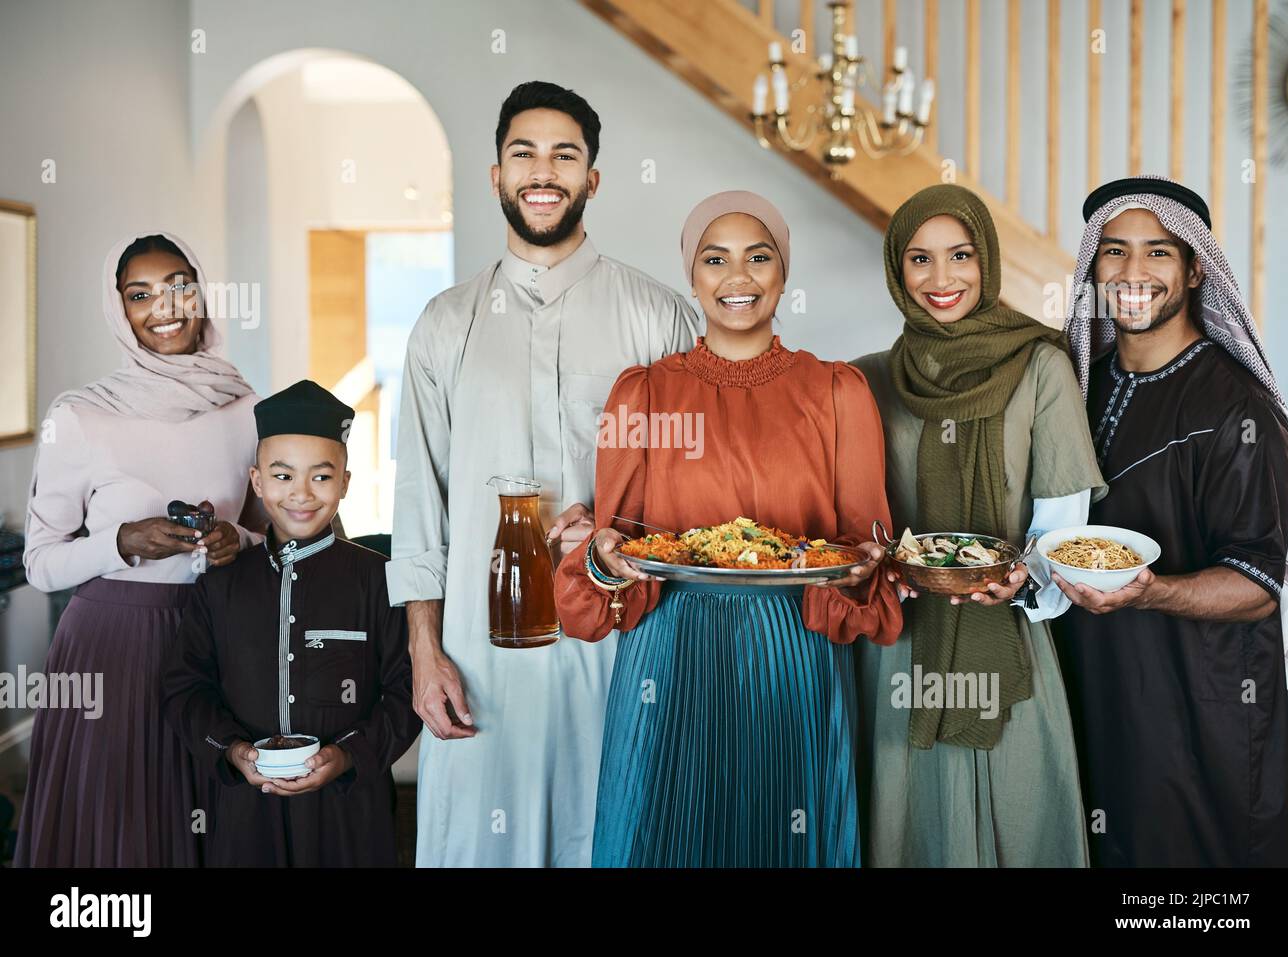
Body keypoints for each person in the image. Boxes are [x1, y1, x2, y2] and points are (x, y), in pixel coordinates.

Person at [386, 81, 700, 867]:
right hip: (475, 646)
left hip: (621, 635)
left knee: (612, 826)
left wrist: (618, 525)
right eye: (523, 152)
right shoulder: (443, 322)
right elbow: (419, 500)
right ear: (494, 174)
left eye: (566, 154)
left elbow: (700, 486)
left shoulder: (659, 316)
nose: (543, 170)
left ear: (593, 177)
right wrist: (424, 652)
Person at [554, 190, 902, 867]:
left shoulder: (839, 393)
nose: (737, 279)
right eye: (716, 259)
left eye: (758, 257)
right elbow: (604, 570)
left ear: (783, 272)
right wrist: (602, 561)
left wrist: (864, 569)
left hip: (792, 655)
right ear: (692, 275)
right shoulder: (643, 394)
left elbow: (866, 567)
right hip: (668, 653)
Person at [852, 184, 1105, 866]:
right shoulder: (865, 382)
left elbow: (1063, 534)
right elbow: (847, 516)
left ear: (986, 260)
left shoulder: (1042, 366)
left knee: (1017, 820)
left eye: (960, 254)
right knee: (908, 828)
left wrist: (1026, 580)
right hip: (901, 646)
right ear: (896, 271)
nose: (942, 278)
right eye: (920, 259)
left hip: (1009, 642)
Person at [1053, 175, 1288, 867]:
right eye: (1115, 252)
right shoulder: (1077, 383)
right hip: (1096, 689)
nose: (1133, 273)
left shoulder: (1238, 408)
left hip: (1202, 708)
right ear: (1092, 266)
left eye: (1158, 252)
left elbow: (1256, 579)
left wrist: (1152, 590)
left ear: (1194, 269)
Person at [17, 232, 261, 867]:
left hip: (218, 639)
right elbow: (40, 564)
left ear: (202, 291)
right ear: (118, 310)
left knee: (215, 813)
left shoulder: (247, 407)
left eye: (181, 284)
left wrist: (243, 539)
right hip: (109, 648)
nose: (166, 306)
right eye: (140, 294)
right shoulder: (81, 416)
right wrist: (120, 542)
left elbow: (282, 539)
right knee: (121, 822)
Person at [161, 380, 421, 866]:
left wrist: (346, 756)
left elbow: (406, 690)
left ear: (345, 481)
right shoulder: (219, 586)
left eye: (321, 478)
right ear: (257, 482)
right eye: (283, 476)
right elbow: (184, 688)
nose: (301, 494)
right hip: (244, 807)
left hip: (351, 806)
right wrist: (233, 751)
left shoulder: (378, 580)